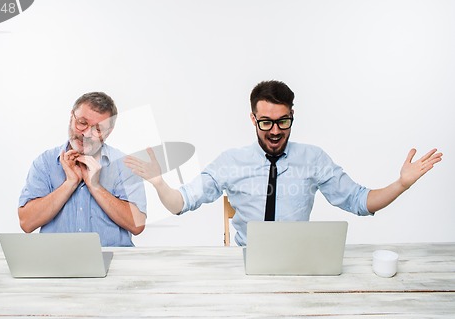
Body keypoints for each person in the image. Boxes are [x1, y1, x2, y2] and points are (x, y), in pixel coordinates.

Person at [124, 80, 442, 246]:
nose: (275, 131)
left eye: (282, 121)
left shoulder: (313, 159)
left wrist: (401, 183)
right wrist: (159, 183)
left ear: (292, 116)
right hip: (247, 263)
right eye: (265, 122)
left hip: (298, 261)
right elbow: (181, 203)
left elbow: (360, 201)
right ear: (253, 119)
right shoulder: (232, 162)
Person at [18, 92, 146, 246]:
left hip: (113, 261)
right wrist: (70, 183)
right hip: (57, 262)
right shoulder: (45, 163)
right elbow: (26, 222)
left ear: (108, 132)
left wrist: (95, 186)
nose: (86, 134)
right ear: (71, 117)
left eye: (98, 129)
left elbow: (137, 225)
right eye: (82, 122)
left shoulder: (125, 165)